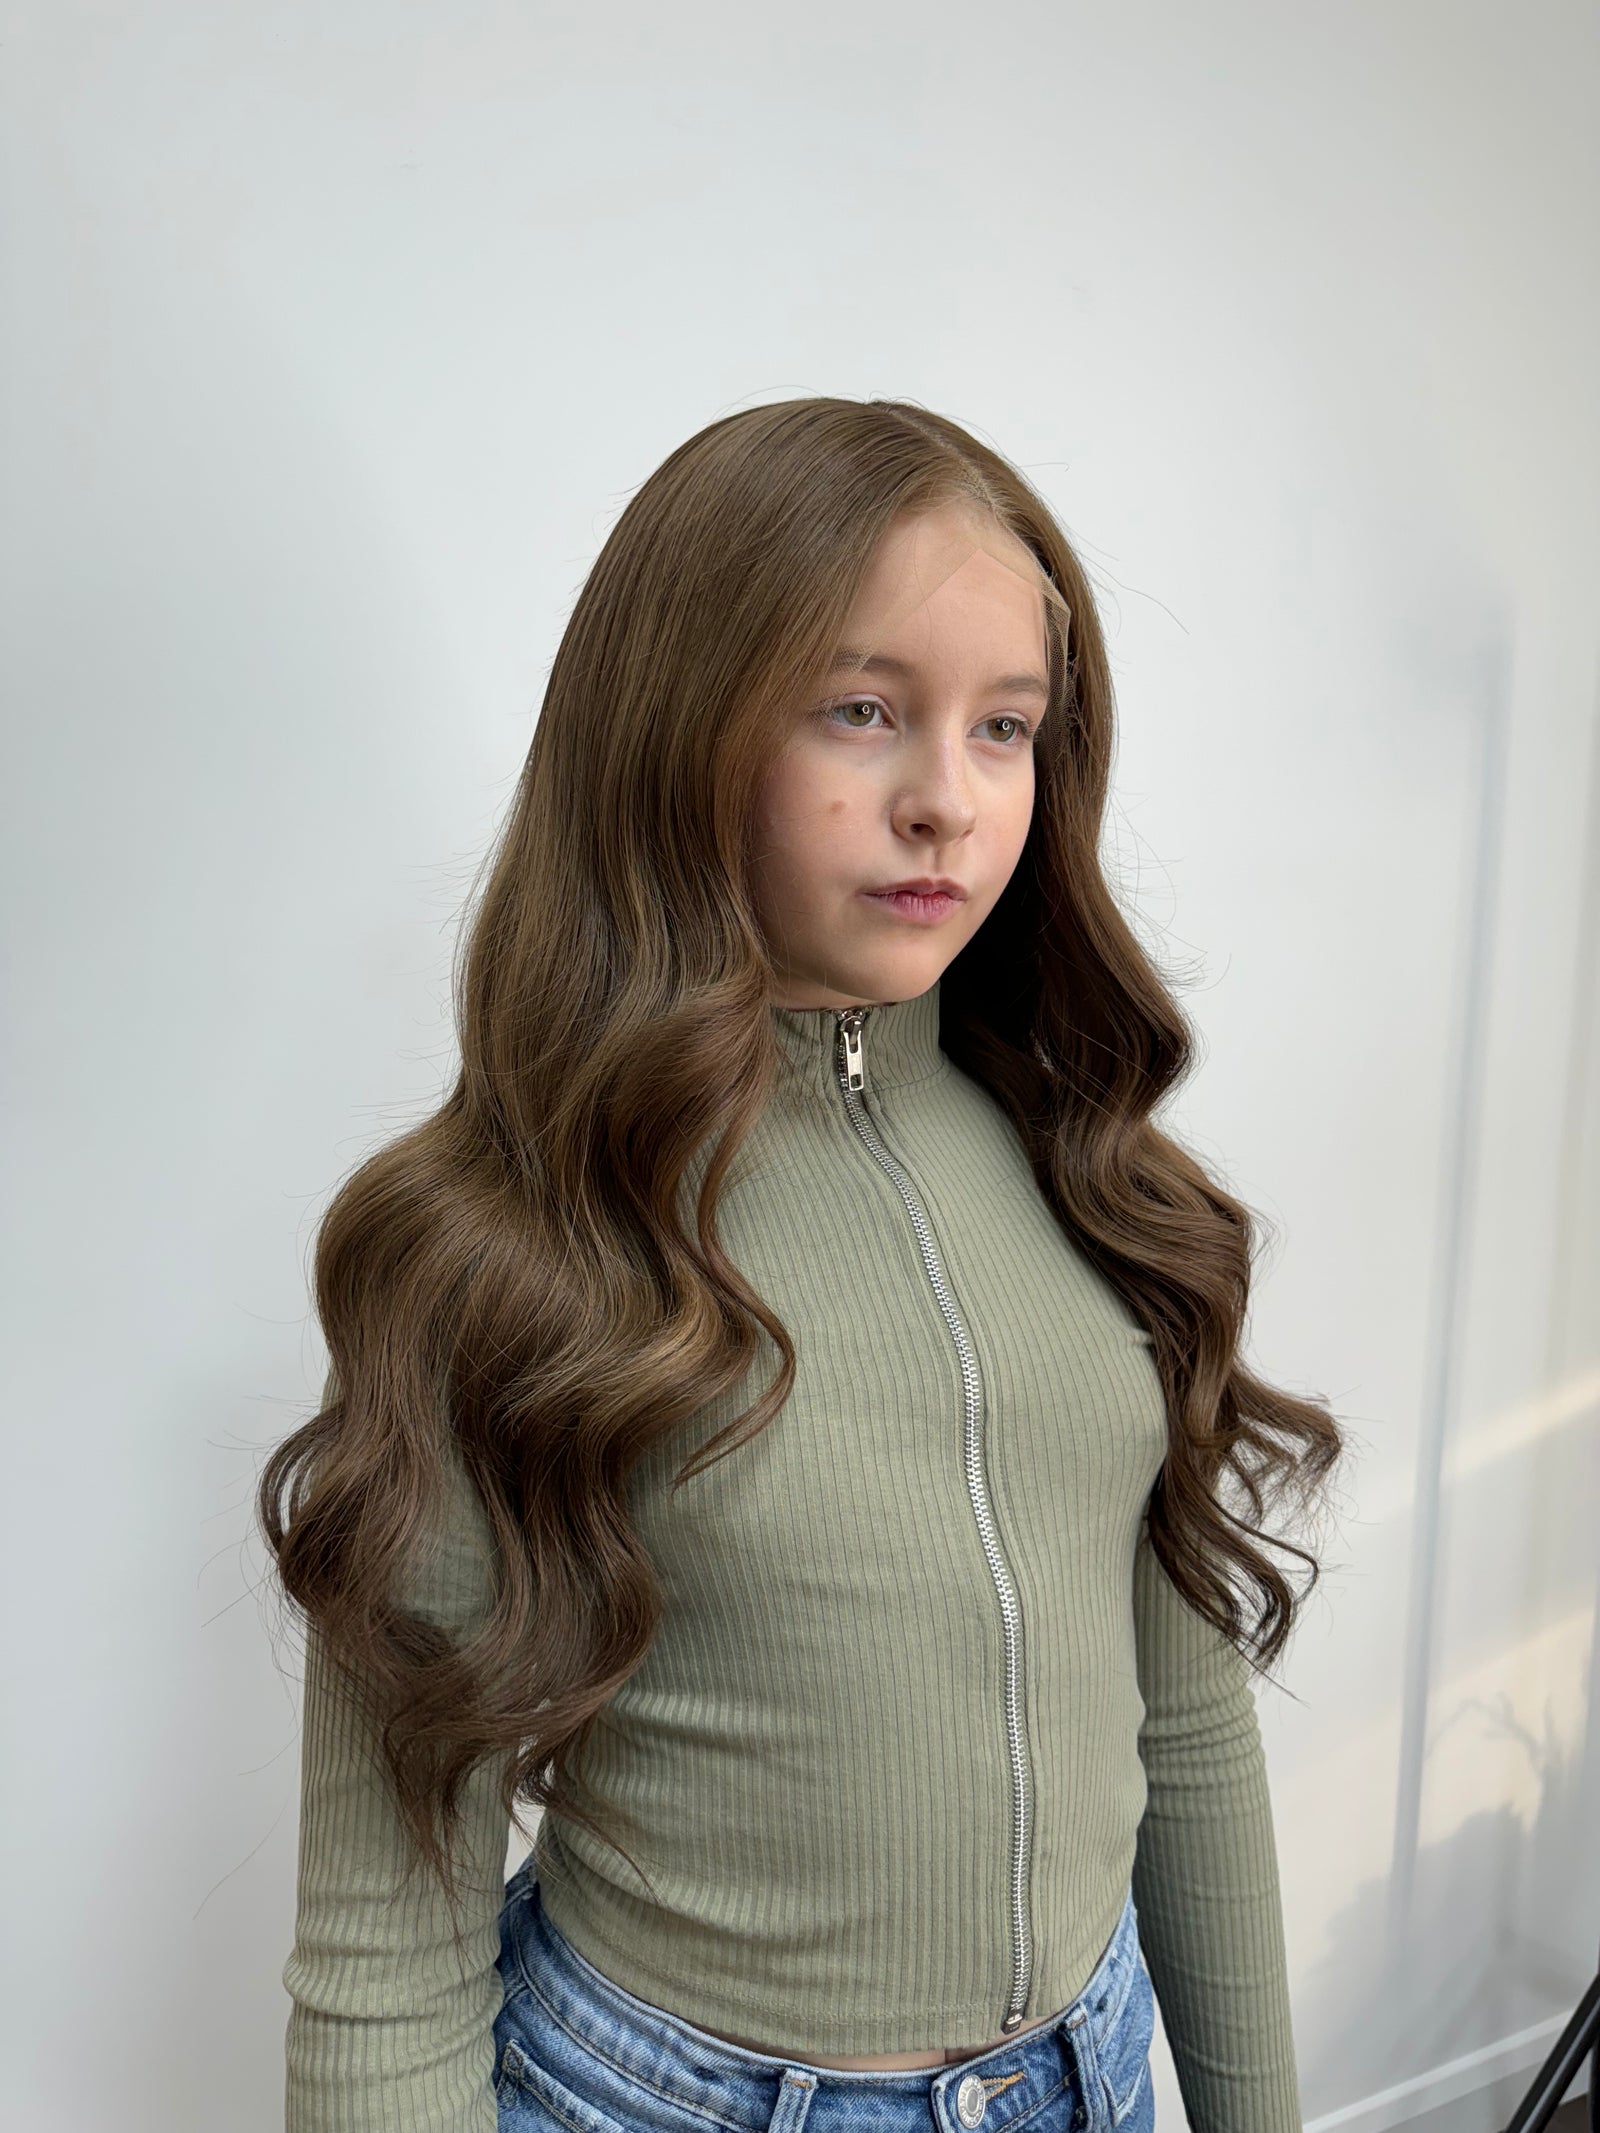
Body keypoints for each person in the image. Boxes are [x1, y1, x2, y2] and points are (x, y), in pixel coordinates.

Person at [259, 395, 1346, 2133]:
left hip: (1095, 2071)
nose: (949, 802)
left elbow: (1185, 1727)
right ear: (678, 725)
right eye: (864, 712)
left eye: (1007, 729)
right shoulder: (498, 1247)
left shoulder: (1097, 1179)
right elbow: (387, 1931)